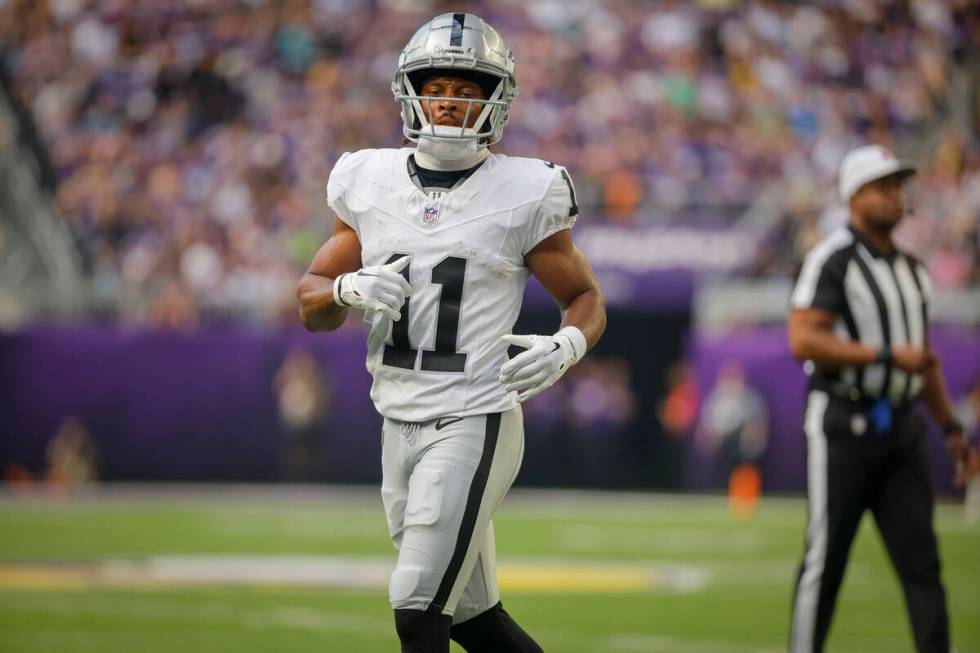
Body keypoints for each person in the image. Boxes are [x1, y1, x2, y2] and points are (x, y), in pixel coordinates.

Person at [297, 13, 606, 653]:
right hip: (397, 422)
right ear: (411, 89)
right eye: (439, 86)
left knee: (416, 608)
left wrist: (566, 344)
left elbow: (583, 297)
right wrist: (344, 290)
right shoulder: (368, 181)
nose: (450, 101)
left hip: (474, 417)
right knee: (474, 621)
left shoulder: (527, 190)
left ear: (496, 100)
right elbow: (310, 303)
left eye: (468, 90)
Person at [786, 144, 978, 653]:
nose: (896, 196)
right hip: (842, 419)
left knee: (924, 563)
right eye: (883, 186)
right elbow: (803, 339)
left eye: (899, 186)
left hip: (903, 426)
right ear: (854, 196)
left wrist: (952, 429)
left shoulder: (913, 270)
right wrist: (883, 354)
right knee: (825, 558)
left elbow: (924, 358)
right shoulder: (832, 259)